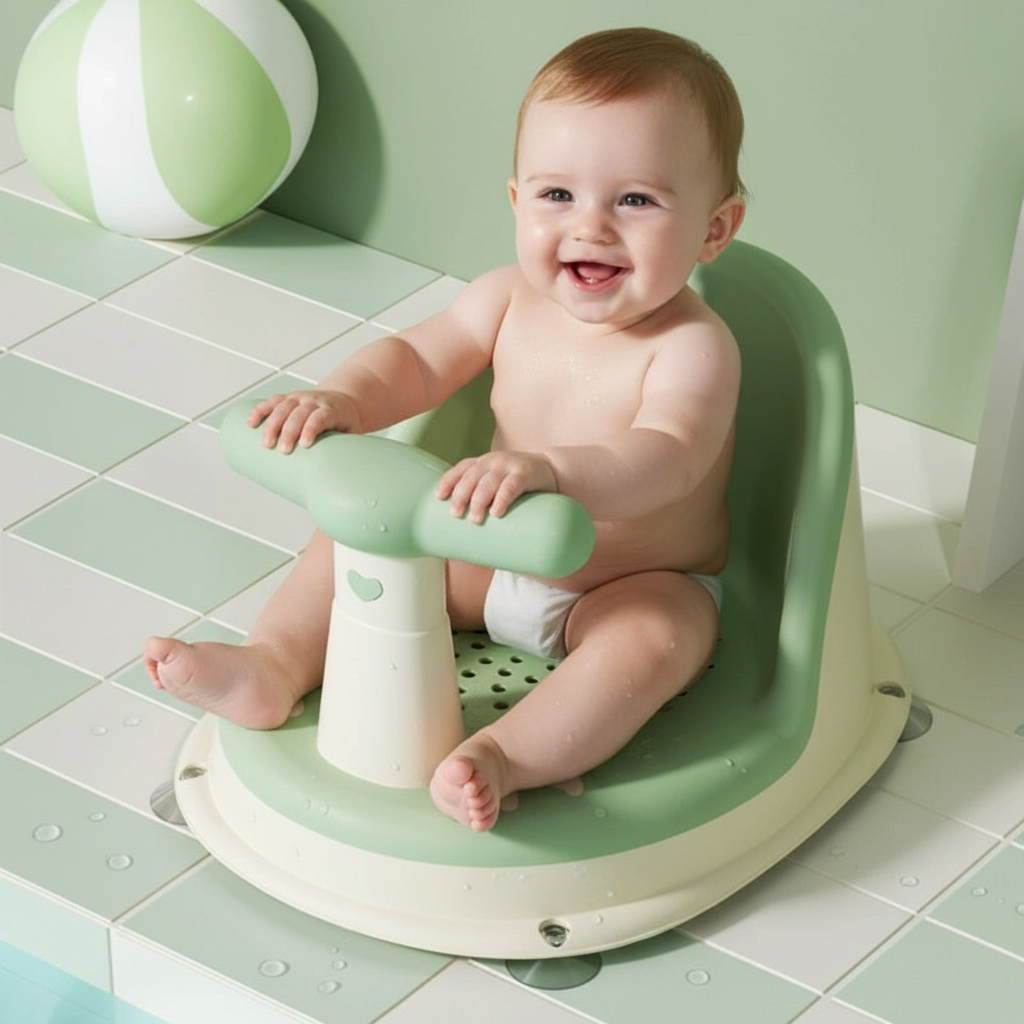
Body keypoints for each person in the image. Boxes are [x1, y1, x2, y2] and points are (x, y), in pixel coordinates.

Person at [145, 27, 747, 832]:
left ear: (714, 228)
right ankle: (273, 666)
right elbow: (415, 362)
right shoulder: (505, 298)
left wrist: (554, 471)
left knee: (657, 643)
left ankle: (505, 755)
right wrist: (342, 401)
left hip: (626, 582)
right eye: (557, 195)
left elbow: (667, 458)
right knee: (355, 544)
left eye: (635, 200)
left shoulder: (693, 347)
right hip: (490, 551)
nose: (591, 227)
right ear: (516, 201)